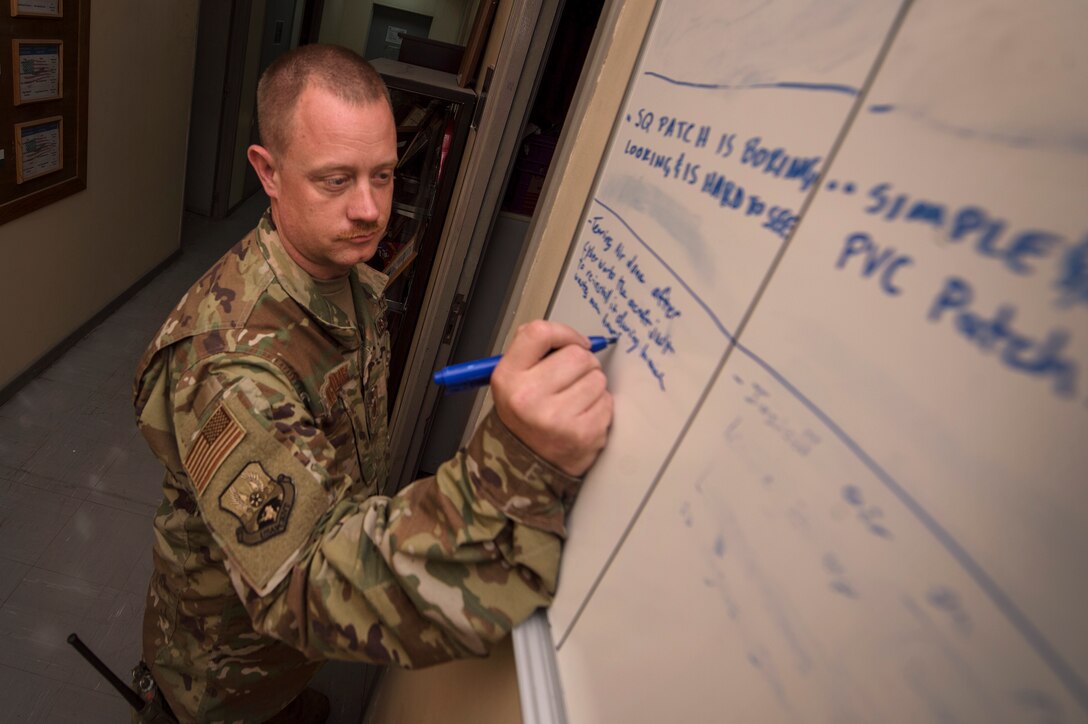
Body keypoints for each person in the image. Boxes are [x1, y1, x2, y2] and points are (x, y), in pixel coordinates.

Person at [132, 44, 612, 723]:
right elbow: (305, 578)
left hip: (286, 659)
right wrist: (517, 462)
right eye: (335, 180)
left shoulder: (342, 271)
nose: (369, 209)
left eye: (383, 175)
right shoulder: (230, 363)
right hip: (225, 678)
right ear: (268, 173)